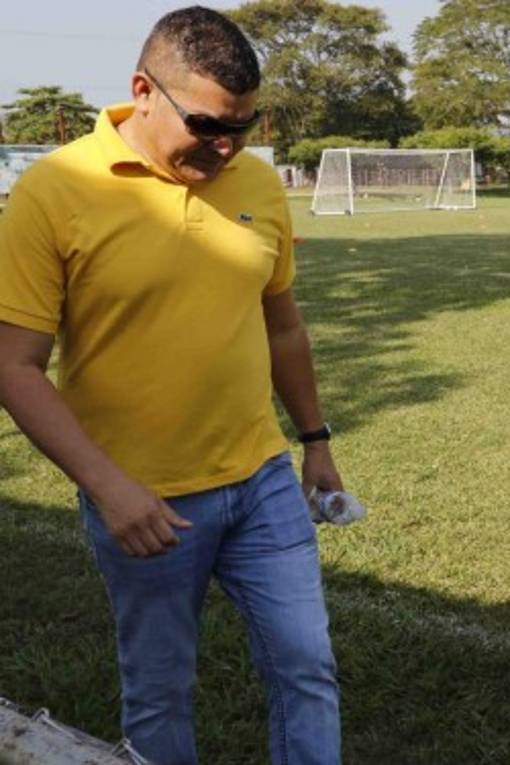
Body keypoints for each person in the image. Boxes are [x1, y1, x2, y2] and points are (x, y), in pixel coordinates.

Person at [0, 8, 343, 764]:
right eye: (208, 124)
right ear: (141, 90)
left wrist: (315, 442)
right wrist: (107, 486)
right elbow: (14, 366)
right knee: (159, 690)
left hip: (262, 479)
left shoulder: (255, 180)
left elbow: (281, 325)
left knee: (308, 666)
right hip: (143, 502)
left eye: (244, 127)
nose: (225, 147)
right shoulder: (54, 191)